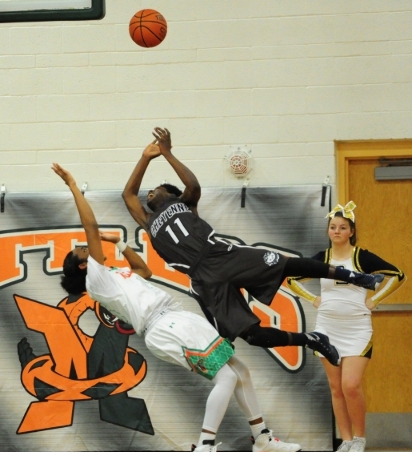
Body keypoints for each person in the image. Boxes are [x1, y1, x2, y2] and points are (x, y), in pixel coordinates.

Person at [52, 163, 302, 452]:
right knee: (226, 376)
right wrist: (74, 186)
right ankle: (204, 449)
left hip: (175, 318)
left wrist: (119, 243)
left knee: (240, 370)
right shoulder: (96, 280)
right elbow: (90, 227)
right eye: (81, 250)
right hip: (164, 326)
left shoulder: (113, 275)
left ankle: (261, 438)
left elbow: (144, 271)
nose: (86, 246)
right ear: (81, 266)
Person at [121, 127, 385, 368]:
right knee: (252, 335)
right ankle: (312, 339)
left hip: (221, 255)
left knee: (286, 264)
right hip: (203, 278)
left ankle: (357, 277)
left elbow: (193, 185)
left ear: (172, 194)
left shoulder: (185, 202)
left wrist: (166, 153)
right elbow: (128, 195)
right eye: (149, 194)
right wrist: (145, 158)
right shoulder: (148, 221)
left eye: (155, 190)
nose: (150, 194)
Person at [287, 201, 406, 452]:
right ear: (328, 230)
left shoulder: (362, 256)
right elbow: (292, 279)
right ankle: (346, 439)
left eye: (343, 227)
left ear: (351, 231)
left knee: (351, 385)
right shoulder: (323, 258)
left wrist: (375, 300)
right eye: (333, 227)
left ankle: (360, 437)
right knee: (336, 387)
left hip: (357, 328)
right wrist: (314, 300)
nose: (337, 231)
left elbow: (398, 275)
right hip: (327, 327)